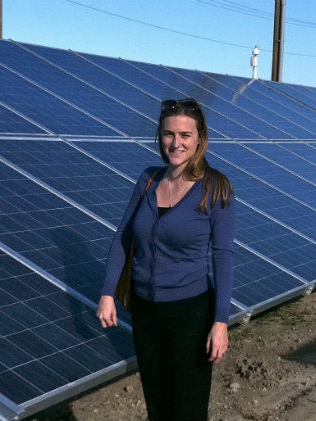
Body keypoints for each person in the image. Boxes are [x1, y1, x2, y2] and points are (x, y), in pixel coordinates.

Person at [96, 98, 235, 421]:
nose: (176, 143)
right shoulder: (148, 180)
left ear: (200, 138)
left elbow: (223, 257)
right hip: (145, 313)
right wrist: (107, 292)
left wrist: (221, 321)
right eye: (169, 134)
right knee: (157, 404)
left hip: (190, 314)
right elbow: (123, 236)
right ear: (160, 137)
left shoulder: (216, 189)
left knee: (187, 408)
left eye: (185, 135)